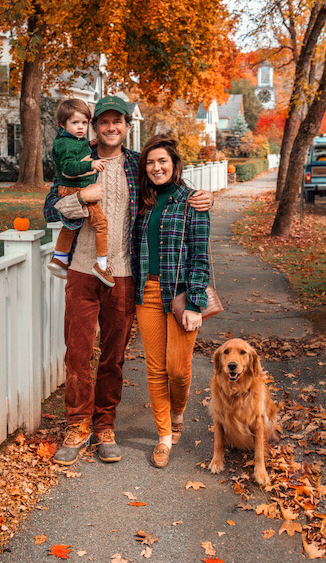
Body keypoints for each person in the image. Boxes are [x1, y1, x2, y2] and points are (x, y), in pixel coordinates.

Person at [44, 95, 213, 466]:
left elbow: (170, 187)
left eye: (116, 121)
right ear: (94, 126)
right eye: (103, 122)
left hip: (123, 275)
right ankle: (77, 426)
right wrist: (81, 198)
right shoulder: (78, 159)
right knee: (77, 352)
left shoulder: (138, 165)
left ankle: (105, 426)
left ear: (125, 125)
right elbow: (50, 207)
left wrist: (203, 198)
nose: (110, 128)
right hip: (82, 272)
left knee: (114, 357)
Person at [133, 135, 210, 469]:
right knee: (154, 368)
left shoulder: (192, 201)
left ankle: (178, 412)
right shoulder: (143, 202)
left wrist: (195, 303)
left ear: (174, 164)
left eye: (162, 161)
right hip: (146, 293)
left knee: (177, 370)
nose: (156, 167)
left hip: (179, 295)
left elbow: (200, 255)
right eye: (150, 162)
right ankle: (164, 437)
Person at [48, 98, 114, 287]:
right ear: (63, 124)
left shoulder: (73, 140)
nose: (80, 127)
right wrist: (91, 164)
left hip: (74, 188)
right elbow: (68, 167)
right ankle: (101, 264)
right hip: (77, 188)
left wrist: (90, 144)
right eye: (75, 122)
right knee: (101, 224)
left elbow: (78, 151)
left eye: (84, 123)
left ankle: (59, 258)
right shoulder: (65, 144)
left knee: (73, 223)